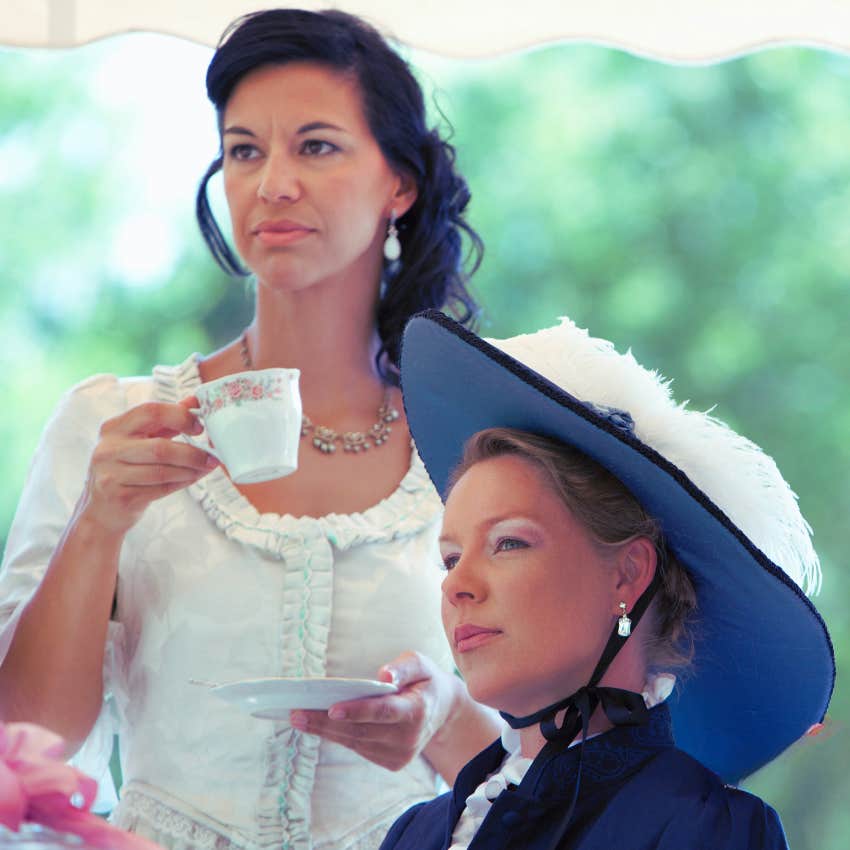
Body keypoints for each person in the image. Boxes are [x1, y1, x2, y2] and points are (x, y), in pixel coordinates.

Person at [0, 10, 501, 850]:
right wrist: (96, 523)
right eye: (244, 150)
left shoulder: (475, 443)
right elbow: (26, 747)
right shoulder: (108, 426)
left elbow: (547, 767)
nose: (271, 184)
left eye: (316, 146)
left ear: (400, 185)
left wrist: (442, 715)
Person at [380, 310, 835, 849]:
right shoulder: (416, 833)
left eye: (508, 542)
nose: (456, 587)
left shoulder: (709, 829)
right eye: (451, 559)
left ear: (628, 574)